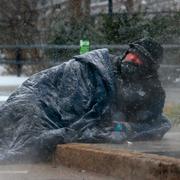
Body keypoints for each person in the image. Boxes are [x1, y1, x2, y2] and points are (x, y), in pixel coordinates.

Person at [0, 37, 171, 162]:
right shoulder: (100, 66)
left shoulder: (151, 92)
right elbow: (62, 83)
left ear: (149, 67)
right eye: (132, 53)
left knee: (30, 132)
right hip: (39, 96)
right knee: (19, 114)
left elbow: (151, 119)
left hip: (50, 112)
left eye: (140, 58)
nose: (132, 58)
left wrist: (122, 125)